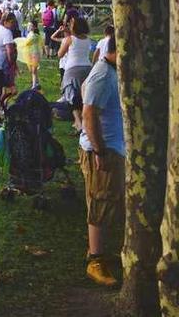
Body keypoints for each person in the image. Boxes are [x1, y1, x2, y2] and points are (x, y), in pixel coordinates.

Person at [79, 36, 124, 286]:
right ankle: (95, 260)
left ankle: (101, 252)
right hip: (103, 149)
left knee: (108, 200)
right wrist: (99, 151)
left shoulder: (111, 71)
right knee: (101, 201)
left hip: (113, 146)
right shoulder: (104, 74)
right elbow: (88, 113)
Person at [55, 17, 94, 133]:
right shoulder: (88, 40)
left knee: (72, 95)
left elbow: (60, 54)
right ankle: (85, 119)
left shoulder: (69, 39)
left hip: (73, 69)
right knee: (84, 96)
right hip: (87, 68)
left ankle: (78, 122)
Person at [16, 20, 45, 89]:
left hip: (35, 54)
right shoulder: (31, 34)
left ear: (34, 27)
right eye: (28, 25)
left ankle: (34, 86)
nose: (28, 27)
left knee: (33, 70)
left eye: (30, 26)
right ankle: (36, 83)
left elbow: (26, 43)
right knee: (32, 70)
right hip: (30, 53)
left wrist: (18, 42)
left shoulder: (34, 35)